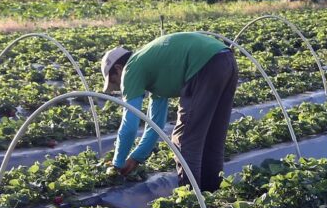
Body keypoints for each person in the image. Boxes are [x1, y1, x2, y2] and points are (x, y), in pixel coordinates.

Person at [101, 32, 238, 192]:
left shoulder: (131, 69)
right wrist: (136, 157)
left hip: (204, 64)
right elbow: (155, 125)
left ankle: (192, 201)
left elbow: (130, 125)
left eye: (114, 81)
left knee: (184, 140)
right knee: (212, 138)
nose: (118, 87)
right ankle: (211, 195)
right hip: (225, 59)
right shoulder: (152, 67)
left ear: (118, 69)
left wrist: (117, 164)